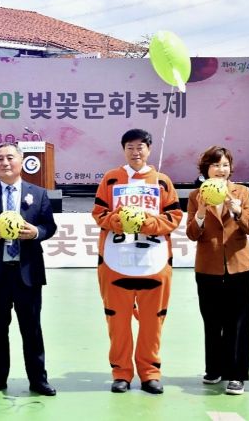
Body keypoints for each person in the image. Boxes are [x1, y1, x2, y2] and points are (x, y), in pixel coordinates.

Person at [92, 128, 182, 394]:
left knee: (153, 322)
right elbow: (99, 214)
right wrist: (120, 220)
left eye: (140, 146)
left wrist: (146, 222)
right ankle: (121, 373)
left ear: (149, 149)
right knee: (117, 322)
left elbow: (174, 217)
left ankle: (150, 373)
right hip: (115, 262)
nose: (135, 152)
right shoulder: (111, 179)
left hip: (154, 263)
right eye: (130, 147)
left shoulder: (162, 181)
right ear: (123, 150)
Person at [0, 143, 58, 396]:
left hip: (27, 272)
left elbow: (49, 226)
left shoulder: (38, 193)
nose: (5, 163)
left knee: (32, 329)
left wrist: (36, 232)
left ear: (21, 161)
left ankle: (38, 380)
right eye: (0, 158)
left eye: (10, 157)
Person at [185, 146, 249, 395]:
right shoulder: (196, 195)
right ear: (206, 169)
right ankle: (214, 368)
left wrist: (236, 210)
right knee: (212, 319)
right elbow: (192, 234)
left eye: (225, 165)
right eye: (215, 165)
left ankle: (236, 375)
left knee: (238, 322)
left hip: (238, 264)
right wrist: (201, 212)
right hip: (208, 266)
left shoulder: (242, 192)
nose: (221, 169)